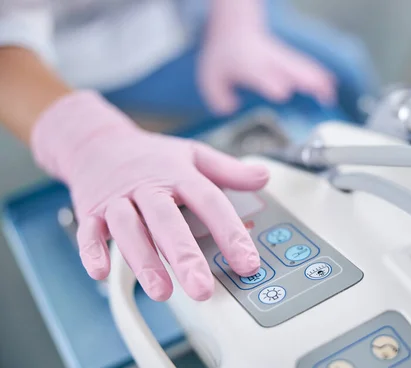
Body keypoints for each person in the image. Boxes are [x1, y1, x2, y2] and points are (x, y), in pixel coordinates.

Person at [0, 0, 375, 302]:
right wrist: (86, 138)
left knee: (341, 71)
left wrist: (236, 26)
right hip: (75, 59)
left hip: (195, 14)